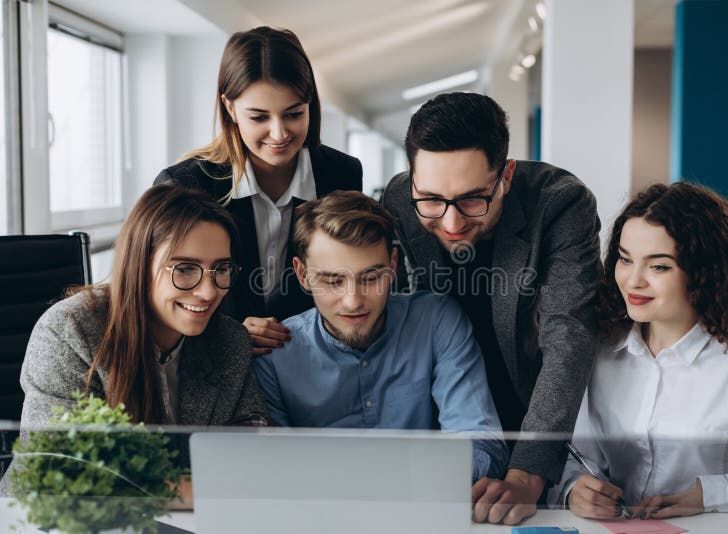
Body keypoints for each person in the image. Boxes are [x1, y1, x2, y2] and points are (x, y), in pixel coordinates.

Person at [381, 92, 600, 524]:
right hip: (447, 423)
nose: (451, 223)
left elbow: (568, 336)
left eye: (471, 200)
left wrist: (527, 472)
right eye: (431, 199)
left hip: (534, 412)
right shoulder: (400, 202)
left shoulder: (561, 204)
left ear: (507, 174)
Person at [550, 182, 728, 519]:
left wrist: (713, 494)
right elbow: (574, 458)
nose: (633, 280)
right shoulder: (600, 354)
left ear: (705, 273)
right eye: (625, 259)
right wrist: (573, 489)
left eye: (659, 266)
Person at [0, 184, 266, 499]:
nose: (209, 292)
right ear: (140, 265)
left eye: (220, 269)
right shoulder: (70, 331)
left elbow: (252, 446)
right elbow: (61, 472)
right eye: (184, 269)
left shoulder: (229, 340)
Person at [252, 190, 509, 482]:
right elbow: (274, 471)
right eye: (333, 281)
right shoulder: (273, 354)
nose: (353, 301)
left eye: (371, 277)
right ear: (302, 275)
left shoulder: (436, 321)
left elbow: (482, 444)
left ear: (393, 265)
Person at [154, 26, 362, 356]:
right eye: (259, 117)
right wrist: (229, 332)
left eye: (294, 113)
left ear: (310, 104)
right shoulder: (186, 185)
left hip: (311, 354)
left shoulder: (342, 174)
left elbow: (347, 269)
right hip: (216, 358)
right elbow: (165, 294)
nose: (279, 133)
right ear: (230, 108)